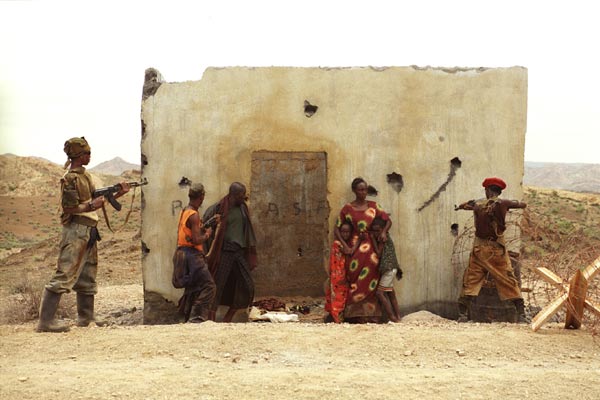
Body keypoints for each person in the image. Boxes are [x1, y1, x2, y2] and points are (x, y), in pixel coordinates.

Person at [37, 137, 130, 333]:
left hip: (89, 230)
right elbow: (69, 207)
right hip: (76, 231)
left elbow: (98, 199)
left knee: (88, 274)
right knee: (65, 273)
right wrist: (89, 206)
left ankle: (86, 317)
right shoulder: (70, 178)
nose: (90, 156)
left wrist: (120, 192)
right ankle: (45, 322)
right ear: (79, 155)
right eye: (87, 153)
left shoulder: (85, 176)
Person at [455, 177, 529, 323]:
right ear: (499, 191)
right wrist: (513, 203)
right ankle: (521, 315)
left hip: (480, 249)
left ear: (487, 190)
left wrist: (463, 205)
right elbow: (523, 205)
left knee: (471, 280)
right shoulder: (503, 203)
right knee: (508, 280)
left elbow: (464, 206)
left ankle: (462, 315)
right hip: (497, 250)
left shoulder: (477, 204)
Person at [334, 177, 391, 323]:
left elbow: (388, 221)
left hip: (372, 249)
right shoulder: (347, 208)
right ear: (354, 191)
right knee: (354, 280)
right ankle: (354, 315)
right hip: (354, 249)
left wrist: (384, 232)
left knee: (371, 281)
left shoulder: (374, 206)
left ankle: (372, 315)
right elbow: (337, 228)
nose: (363, 192)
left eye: (365, 189)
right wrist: (345, 246)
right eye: (360, 189)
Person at [203, 182, 257, 322]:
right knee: (218, 284)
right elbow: (206, 227)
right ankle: (211, 318)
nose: (244, 197)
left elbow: (246, 230)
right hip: (225, 251)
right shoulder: (219, 208)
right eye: (241, 194)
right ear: (233, 194)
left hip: (239, 251)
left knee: (247, 284)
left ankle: (228, 317)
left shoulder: (243, 208)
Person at [172, 183, 217, 323]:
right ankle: (196, 317)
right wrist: (208, 234)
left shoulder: (185, 211)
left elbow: (192, 233)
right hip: (192, 256)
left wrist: (208, 223)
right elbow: (197, 240)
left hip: (183, 253)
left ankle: (185, 316)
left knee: (193, 286)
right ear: (202, 196)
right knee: (209, 286)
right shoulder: (194, 215)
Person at [370, 217, 403, 323]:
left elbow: (379, 253)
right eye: (374, 231)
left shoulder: (382, 238)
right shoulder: (384, 235)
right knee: (390, 293)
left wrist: (372, 240)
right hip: (392, 268)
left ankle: (392, 317)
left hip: (389, 269)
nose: (376, 233)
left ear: (383, 229)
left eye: (377, 230)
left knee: (380, 293)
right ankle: (398, 316)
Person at [324, 221, 356, 323]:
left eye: (347, 232)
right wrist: (359, 241)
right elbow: (349, 251)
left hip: (338, 275)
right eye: (343, 232)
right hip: (339, 276)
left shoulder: (342, 243)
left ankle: (335, 317)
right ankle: (337, 318)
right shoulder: (338, 243)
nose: (345, 234)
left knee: (339, 296)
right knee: (339, 298)